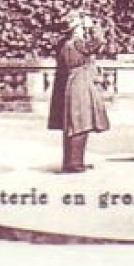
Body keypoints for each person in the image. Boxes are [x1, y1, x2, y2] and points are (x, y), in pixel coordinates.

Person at [47, 10, 110, 174]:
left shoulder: (69, 43)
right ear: (78, 28)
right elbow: (99, 41)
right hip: (79, 84)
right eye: (82, 26)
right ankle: (74, 163)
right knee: (80, 123)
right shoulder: (76, 43)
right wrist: (95, 26)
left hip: (76, 83)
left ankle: (73, 161)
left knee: (75, 123)